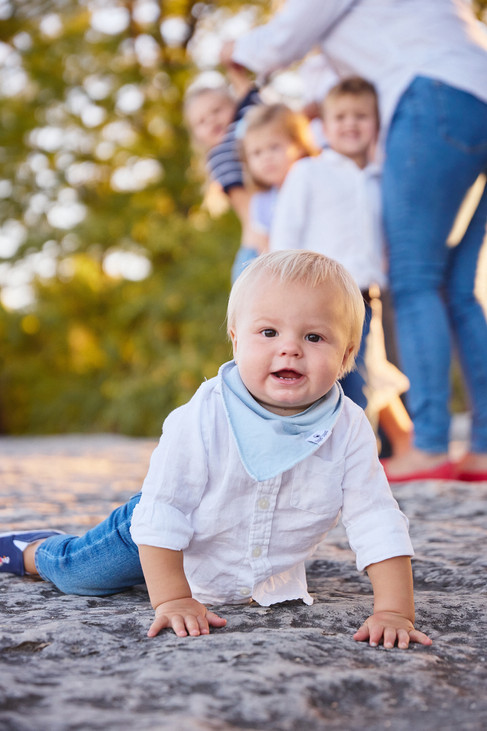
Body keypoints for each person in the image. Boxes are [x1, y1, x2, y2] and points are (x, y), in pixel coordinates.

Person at [0, 251, 432, 649]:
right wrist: (172, 600)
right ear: (236, 340)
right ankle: (30, 550)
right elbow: (164, 511)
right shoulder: (203, 415)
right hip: (159, 535)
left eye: (315, 337)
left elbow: (374, 516)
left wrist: (394, 611)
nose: (290, 347)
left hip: (241, 554)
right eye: (268, 332)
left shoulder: (349, 427)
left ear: (347, 355)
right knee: (82, 575)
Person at [221, 0, 487, 482]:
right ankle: (483, 448)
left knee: (418, 278)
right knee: (459, 287)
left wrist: (239, 49)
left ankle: (428, 446)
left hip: (435, 98)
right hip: (476, 87)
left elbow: (286, 37)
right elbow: (329, 72)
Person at [269, 77, 412, 455]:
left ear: (376, 124)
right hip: (318, 297)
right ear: (324, 125)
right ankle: (307, 453)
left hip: (367, 297)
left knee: (362, 379)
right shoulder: (309, 172)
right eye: (341, 116)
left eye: (361, 116)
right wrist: (282, 292)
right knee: (317, 377)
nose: (351, 124)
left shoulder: (383, 178)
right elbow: (285, 233)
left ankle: (355, 459)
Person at [184, 64, 261, 279]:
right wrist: (272, 253)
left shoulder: (242, 134)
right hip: (260, 251)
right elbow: (252, 213)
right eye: (201, 121)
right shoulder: (221, 154)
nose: (211, 121)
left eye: (217, 110)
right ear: (197, 135)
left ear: (233, 107)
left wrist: (235, 72)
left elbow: (253, 106)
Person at [239, 103, 318, 270]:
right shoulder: (261, 202)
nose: (266, 157)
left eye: (274, 147)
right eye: (257, 152)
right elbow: (267, 254)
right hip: (288, 273)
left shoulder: (313, 183)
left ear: (298, 145)